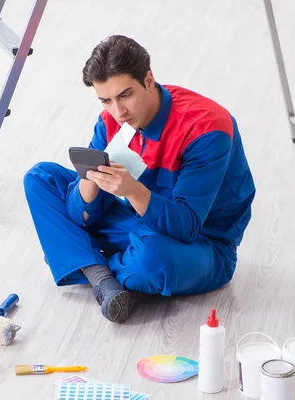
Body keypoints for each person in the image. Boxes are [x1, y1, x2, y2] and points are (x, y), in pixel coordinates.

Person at [23, 35, 255, 323]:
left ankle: (78, 260)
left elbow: (186, 227)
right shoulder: (110, 121)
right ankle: (101, 276)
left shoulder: (207, 129)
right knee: (40, 178)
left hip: (201, 247)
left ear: (148, 80)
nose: (118, 112)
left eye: (125, 95)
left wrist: (133, 191)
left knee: (151, 259)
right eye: (106, 100)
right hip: (140, 225)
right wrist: (89, 181)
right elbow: (81, 215)